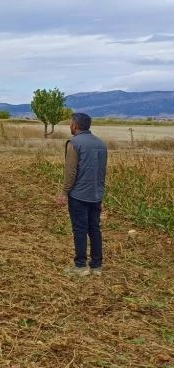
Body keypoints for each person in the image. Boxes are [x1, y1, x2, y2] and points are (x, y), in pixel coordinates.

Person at [55, 112, 108, 276]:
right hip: (96, 194)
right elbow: (102, 172)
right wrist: (101, 193)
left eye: (71, 123)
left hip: (78, 195)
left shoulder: (74, 143)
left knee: (80, 229)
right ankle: (96, 266)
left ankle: (80, 266)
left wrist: (64, 192)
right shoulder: (101, 144)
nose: (70, 126)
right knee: (94, 229)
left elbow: (71, 171)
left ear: (76, 125)